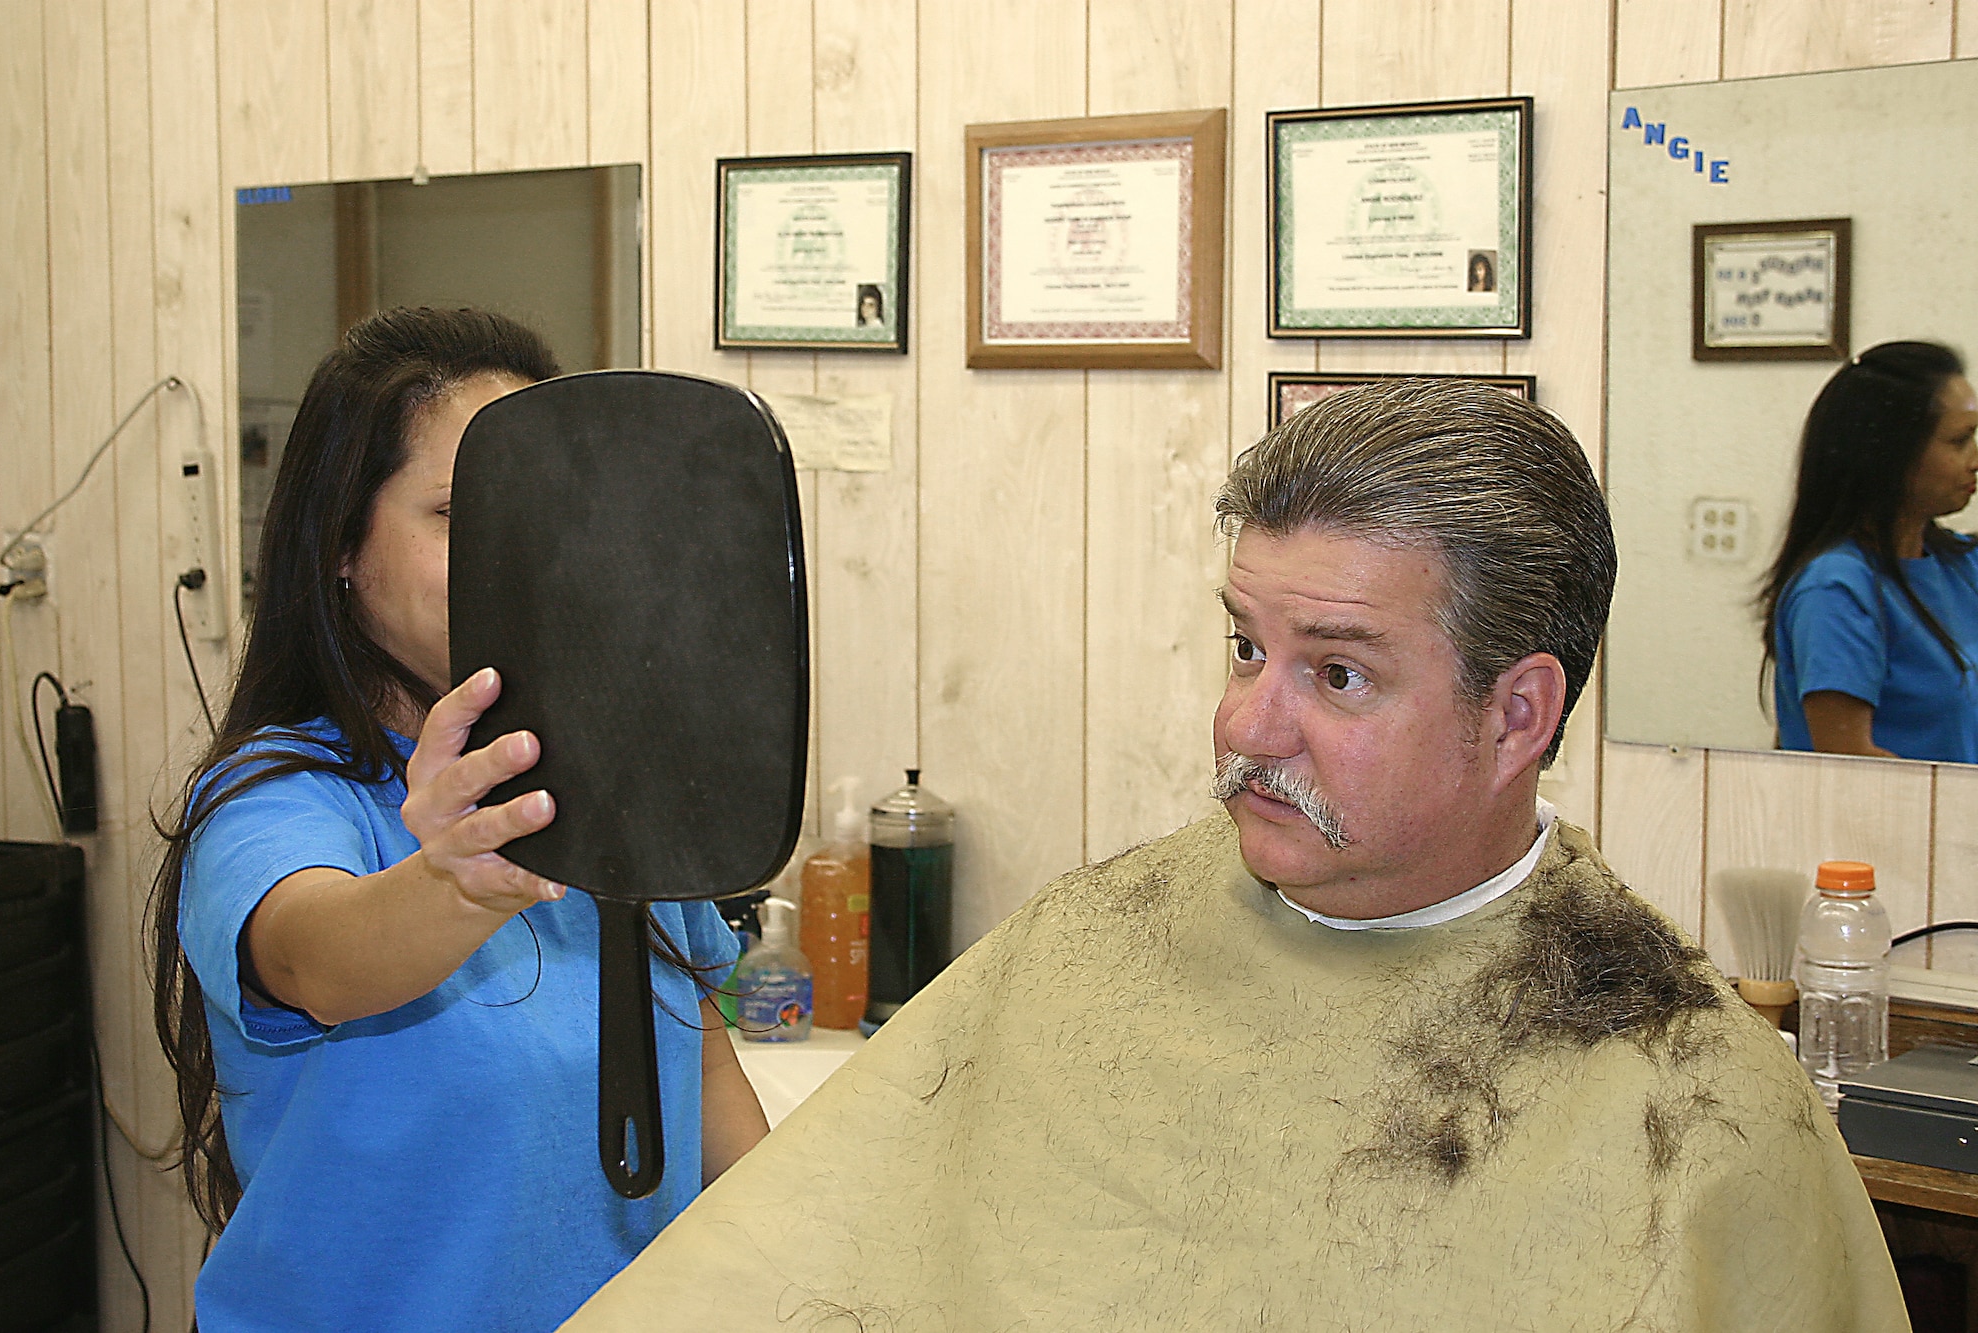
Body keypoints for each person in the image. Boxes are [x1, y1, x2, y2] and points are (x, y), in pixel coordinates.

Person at [563, 380, 1903, 1331]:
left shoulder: (1695, 1102)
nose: (1248, 723)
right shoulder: (1092, 942)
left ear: (1517, 713)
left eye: (1336, 672)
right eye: (1247, 648)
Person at [147, 307, 769, 1331]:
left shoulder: (613, 767)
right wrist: (454, 879)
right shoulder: (274, 796)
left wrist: (808, 1261)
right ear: (342, 547)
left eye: (537, 508)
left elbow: (697, 1064)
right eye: (455, 510)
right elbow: (322, 960)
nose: (513, 549)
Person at [1762, 340, 1978, 761]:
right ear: (1893, 454)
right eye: (1959, 441)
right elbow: (1852, 766)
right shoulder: (1835, 589)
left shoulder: (1961, 564)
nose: (1975, 459)